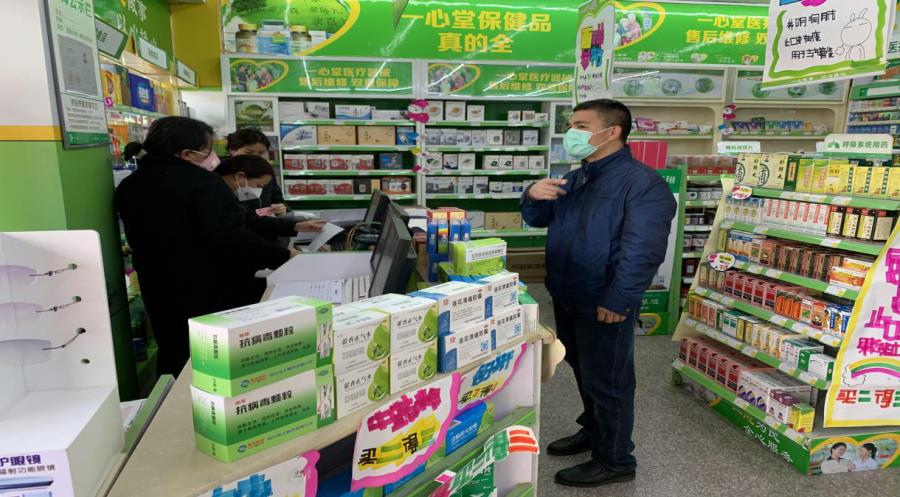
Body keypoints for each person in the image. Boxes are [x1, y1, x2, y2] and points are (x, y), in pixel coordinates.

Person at [520, 99, 676, 487]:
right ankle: (594, 430)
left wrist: (619, 299)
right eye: (570, 125)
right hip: (568, 292)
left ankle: (616, 459)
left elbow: (643, 251)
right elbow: (539, 219)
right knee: (584, 370)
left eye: (581, 125)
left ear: (612, 132)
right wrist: (532, 195)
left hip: (604, 299)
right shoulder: (577, 178)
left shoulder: (643, 184)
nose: (571, 133)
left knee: (609, 381)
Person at [115, 116, 296, 376]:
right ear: (187, 153)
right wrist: (285, 257)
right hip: (204, 285)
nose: (212, 156)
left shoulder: (130, 184)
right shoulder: (203, 183)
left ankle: (172, 396)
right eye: (208, 149)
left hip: (157, 283)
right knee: (210, 353)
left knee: (174, 347)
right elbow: (231, 235)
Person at [217, 154, 325, 243]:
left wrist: (296, 225)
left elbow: (251, 220)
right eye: (258, 186)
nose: (259, 191)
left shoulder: (230, 195)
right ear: (240, 176)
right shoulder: (215, 197)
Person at [225, 128, 289, 216]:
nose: (256, 157)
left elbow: (278, 200)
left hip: (267, 222)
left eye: (261, 153)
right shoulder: (223, 175)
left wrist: (282, 207)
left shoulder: (266, 172)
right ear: (232, 150)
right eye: (249, 152)